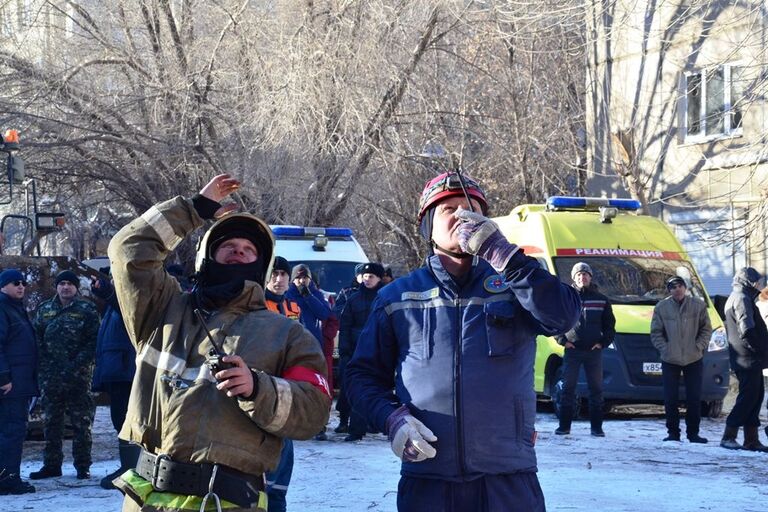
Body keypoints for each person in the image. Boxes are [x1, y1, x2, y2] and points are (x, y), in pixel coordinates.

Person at [345, 171, 581, 512]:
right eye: (447, 209)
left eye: (470, 208)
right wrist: (391, 419)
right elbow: (361, 376)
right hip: (428, 480)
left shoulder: (513, 284)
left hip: (508, 478)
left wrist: (505, 255)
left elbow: (565, 316)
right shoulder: (396, 297)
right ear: (427, 226)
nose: (460, 215)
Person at [107, 173, 331, 512]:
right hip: (148, 497)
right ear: (206, 257)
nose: (238, 253)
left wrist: (258, 389)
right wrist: (194, 208)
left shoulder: (287, 333)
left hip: (227, 500)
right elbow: (128, 251)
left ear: (261, 266)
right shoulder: (163, 309)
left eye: (248, 250)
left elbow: (313, 410)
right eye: (228, 247)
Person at [30, 270, 100, 481]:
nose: (65, 287)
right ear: (57, 287)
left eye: (70, 284)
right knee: (52, 422)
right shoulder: (44, 310)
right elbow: (37, 340)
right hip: (51, 377)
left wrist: (76, 364)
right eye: (62, 284)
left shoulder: (87, 310)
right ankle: (51, 465)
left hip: (78, 376)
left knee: (81, 423)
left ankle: (82, 466)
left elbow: (93, 341)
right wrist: (46, 367)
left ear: (76, 287)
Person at [90, 269, 140, 490]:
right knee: (119, 421)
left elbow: (127, 311)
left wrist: (108, 293)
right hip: (116, 373)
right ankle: (128, 466)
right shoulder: (112, 305)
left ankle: (133, 469)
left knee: (127, 421)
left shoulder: (132, 297)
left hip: (126, 372)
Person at [555, 262, 615, 437]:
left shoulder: (602, 299)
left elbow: (610, 327)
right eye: (579, 275)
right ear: (574, 278)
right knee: (568, 389)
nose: (583, 277)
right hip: (572, 351)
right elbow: (556, 322)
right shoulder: (566, 298)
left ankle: (597, 428)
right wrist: (562, 341)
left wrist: (602, 343)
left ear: (590, 277)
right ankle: (564, 427)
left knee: (596, 390)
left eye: (586, 274)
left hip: (593, 352)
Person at [650, 275, 712, 443]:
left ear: (685, 288)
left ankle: (693, 433)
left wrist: (699, 346)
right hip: (670, 359)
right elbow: (656, 333)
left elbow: (706, 329)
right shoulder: (661, 307)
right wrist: (666, 348)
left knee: (693, 397)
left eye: (680, 286)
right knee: (670, 398)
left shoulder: (698, 305)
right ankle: (673, 433)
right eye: (673, 287)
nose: (677, 289)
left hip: (693, 358)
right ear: (669, 290)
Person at [263, 256, 301, 512]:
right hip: (262, 389)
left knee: (283, 465)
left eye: (283, 275)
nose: (278, 280)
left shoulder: (293, 306)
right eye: (273, 274)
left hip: (287, 390)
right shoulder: (256, 304)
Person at [338, 262, 385, 442]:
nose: (367, 280)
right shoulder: (354, 298)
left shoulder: (384, 298)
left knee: (378, 389)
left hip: (378, 350)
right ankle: (355, 429)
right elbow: (345, 325)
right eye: (365, 277)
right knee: (356, 387)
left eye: (371, 277)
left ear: (379, 279)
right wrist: (345, 351)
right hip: (355, 351)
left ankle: (376, 423)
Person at [721, 267, 768, 451]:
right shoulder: (741, 298)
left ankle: (751, 439)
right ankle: (728, 436)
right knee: (748, 398)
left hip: (748, 357)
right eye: (756, 281)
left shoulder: (740, 297)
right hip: (747, 358)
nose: (759, 285)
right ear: (747, 281)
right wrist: (758, 349)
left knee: (756, 397)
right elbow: (746, 329)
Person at [0, 269, 38, 495]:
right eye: (15, 283)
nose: (21, 286)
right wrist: (3, 378)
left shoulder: (15, 308)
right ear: (3, 286)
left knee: (9, 431)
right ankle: (8, 479)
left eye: (23, 282)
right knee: (11, 431)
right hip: (10, 385)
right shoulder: (3, 308)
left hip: (18, 383)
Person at [285, 264, 332, 440]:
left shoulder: (316, 294)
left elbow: (325, 314)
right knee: (293, 384)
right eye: (298, 278)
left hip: (314, 347)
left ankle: (320, 425)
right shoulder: (288, 295)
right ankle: (293, 422)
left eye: (305, 278)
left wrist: (309, 296)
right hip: (293, 347)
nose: (301, 281)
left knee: (317, 386)